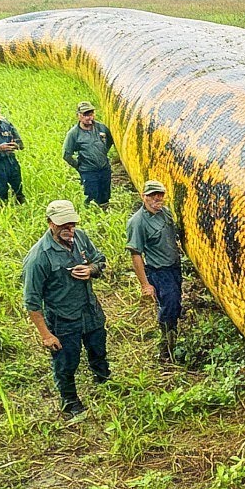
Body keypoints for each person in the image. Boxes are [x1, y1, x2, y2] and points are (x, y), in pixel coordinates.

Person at [23, 199, 111, 419]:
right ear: (50, 223)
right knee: (66, 361)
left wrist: (91, 269)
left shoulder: (80, 237)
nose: (69, 229)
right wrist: (46, 335)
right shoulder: (39, 257)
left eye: (72, 223)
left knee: (98, 348)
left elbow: (99, 259)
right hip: (63, 318)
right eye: (63, 225)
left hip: (89, 309)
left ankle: (103, 380)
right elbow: (32, 302)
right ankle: (70, 402)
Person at [126, 180, 183, 362]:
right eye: (152, 195)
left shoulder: (165, 213)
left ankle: (173, 333)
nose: (157, 198)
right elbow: (136, 254)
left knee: (175, 301)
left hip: (174, 266)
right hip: (158, 271)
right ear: (143, 196)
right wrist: (145, 284)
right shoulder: (137, 222)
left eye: (160, 194)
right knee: (169, 304)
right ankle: (166, 348)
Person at [62, 101, 115, 208]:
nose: (89, 117)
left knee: (105, 194)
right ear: (78, 116)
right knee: (91, 196)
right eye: (85, 115)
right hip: (88, 171)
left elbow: (109, 142)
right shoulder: (74, 134)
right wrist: (80, 167)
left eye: (91, 114)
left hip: (104, 169)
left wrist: (102, 154)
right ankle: (92, 216)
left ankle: (105, 213)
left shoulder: (101, 128)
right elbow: (67, 155)